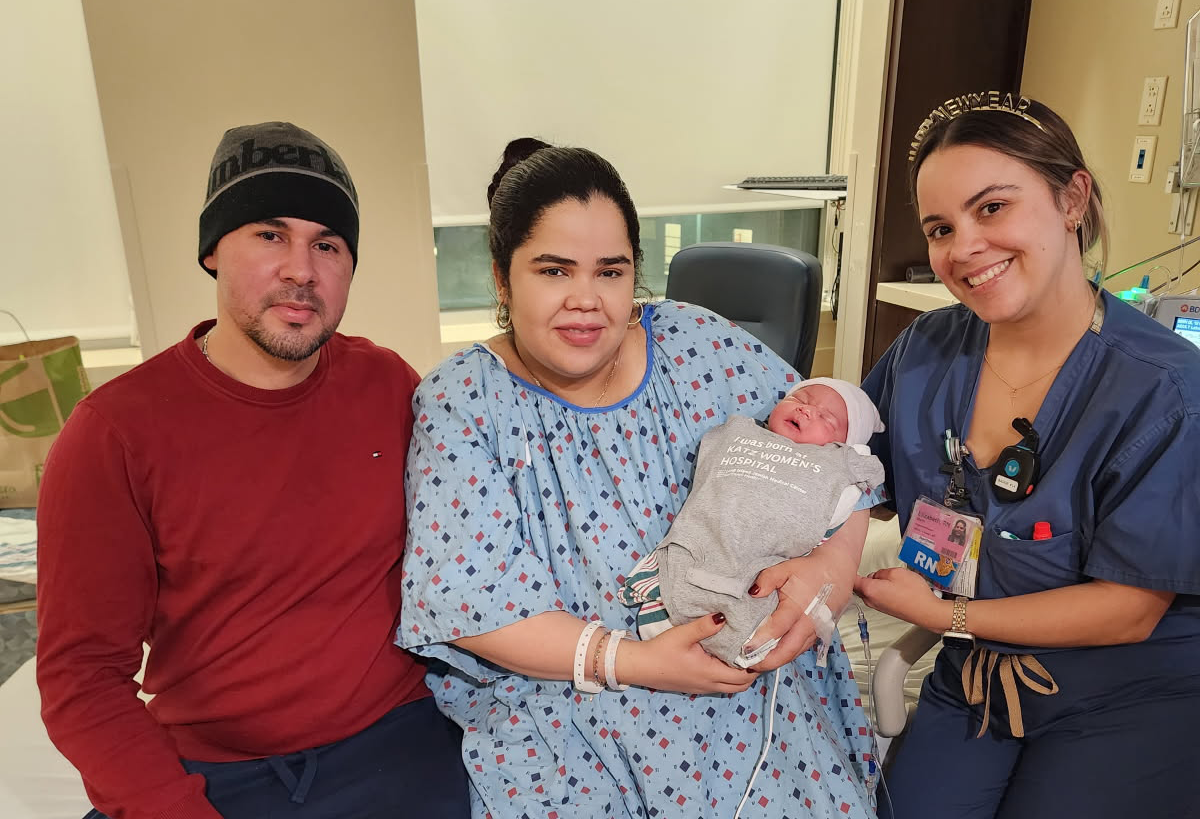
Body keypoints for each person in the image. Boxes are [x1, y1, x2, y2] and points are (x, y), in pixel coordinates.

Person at [397, 138, 879, 818]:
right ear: (504, 280)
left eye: (611, 271)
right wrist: (632, 660)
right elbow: (468, 602)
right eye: (554, 270)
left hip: (745, 681)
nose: (587, 301)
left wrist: (831, 562)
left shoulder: (699, 344)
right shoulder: (463, 403)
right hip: (570, 701)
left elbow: (845, 458)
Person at [36, 122, 470, 819]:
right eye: (270, 234)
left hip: (397, 744)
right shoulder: (113, 432)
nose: (302, 268)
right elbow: (82, 677)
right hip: (211, 773)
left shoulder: (387, 386)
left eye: (327, 244)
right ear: (213, 249)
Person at [852, 93, 1200, 818]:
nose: (964, 248)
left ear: (1073, 199)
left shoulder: (1162, 388)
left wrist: (946, 615)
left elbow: (1128, 610)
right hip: (978, 676)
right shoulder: (926, 349)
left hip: (1130, 684)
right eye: (941, 227)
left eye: (992, 209)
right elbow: (852, 479)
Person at [620, 378, 885, 669]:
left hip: (758, 569)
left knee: (753, 600)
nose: (807, 411)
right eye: (801, 400)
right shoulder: (742, 431)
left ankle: (738, 637)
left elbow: (869, 474)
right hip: (703, 541)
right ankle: (666, 597)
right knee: (691, 548)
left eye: (826, 417)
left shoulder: (833, 465)